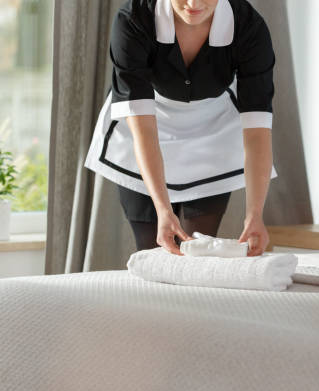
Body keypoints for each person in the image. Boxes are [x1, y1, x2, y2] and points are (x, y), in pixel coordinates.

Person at [84, 0, 276, 256]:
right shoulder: (134, 20)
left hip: (212, 130)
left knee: (201, 253)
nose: (193, 4)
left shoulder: (249, 27)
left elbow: (257, 130)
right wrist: (164, 209)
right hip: (147, 124)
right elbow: (144, 130)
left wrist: (255, 214)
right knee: (153, 251)